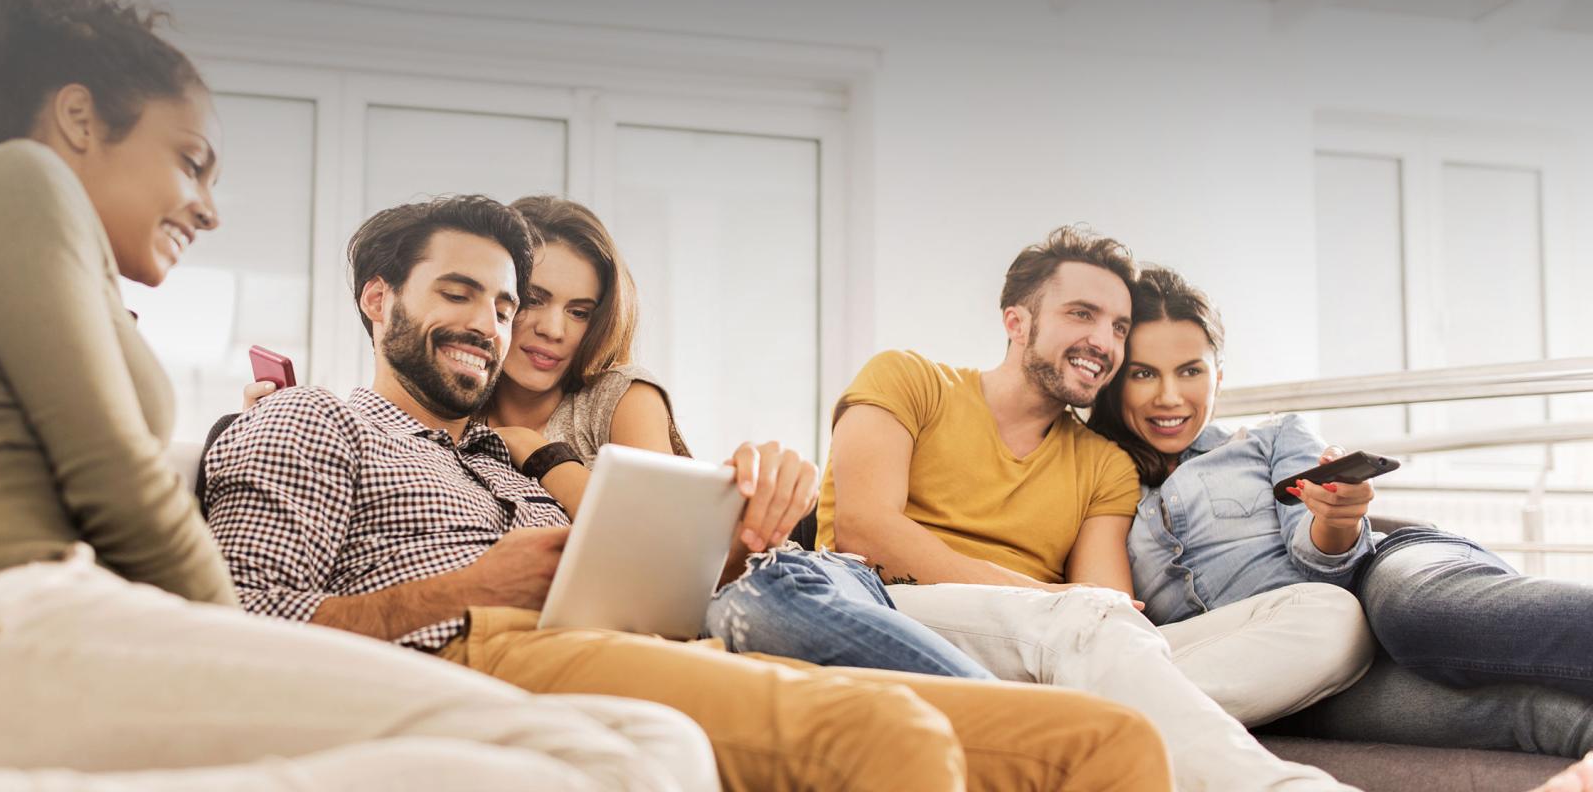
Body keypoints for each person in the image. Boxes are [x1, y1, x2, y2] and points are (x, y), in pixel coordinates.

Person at [0, 0, 721, 789]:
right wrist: (253, 638)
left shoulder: (84, 290)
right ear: (79, 119)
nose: (208, 207)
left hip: (57, 623)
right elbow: (111, 474)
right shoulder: (14, 177)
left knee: (659, 746)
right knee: (619, 767)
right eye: (192, 161)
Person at [205, 195, 1173, 791]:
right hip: (482, 649)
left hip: (656, 642)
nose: (494, 324)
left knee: (1105, 741)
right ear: (380, 299)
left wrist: (744, 535)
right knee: (885, 732)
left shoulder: (519, 454)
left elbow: (676, 584)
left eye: (506, 303)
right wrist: (465, 590)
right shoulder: (309, 420)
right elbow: (244, 627)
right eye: (459, 293)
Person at [786, 226, 1371, 790]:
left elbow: (1114, 614)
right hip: (887, 610)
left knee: (1332, 616)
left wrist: (1077, 613)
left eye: (1118, 326)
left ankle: (1050, 726)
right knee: (1084, 621)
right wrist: (1056, 603)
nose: (1104, 341)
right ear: (1017, 321)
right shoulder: (909, 380)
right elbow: (866, 533)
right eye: (1082, 314)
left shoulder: (1103, 463)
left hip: (1044, 650)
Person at [1085, 264, 1593, 760]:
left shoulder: (1270, 438)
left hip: (1384, 573)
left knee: (1413, 615)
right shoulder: (1096, 485)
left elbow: (1321, 558)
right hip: (1303, 671)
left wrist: (1335, 519)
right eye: (1144, 374)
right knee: (1537, 716)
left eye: (1190, 371)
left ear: (1217, 375)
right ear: (1114, 381)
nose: (1169, 396)